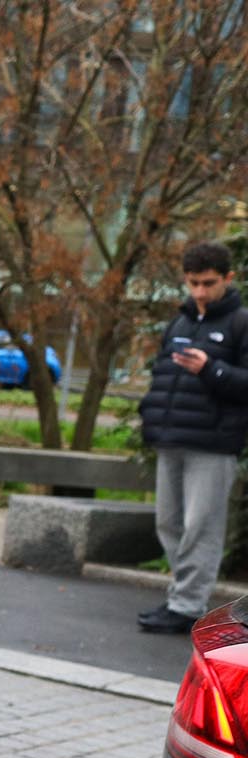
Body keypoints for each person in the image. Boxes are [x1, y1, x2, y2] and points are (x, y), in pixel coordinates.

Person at [136, 239, 248, 633]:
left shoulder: (241, 323)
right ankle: (180, 597)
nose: (200, 291)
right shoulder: (179, 322)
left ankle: (187, 605)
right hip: (171, 439)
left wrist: (212, 369)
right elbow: (161, 378)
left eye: (209, 283)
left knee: (202, 525)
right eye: (193, 283)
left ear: (228, 279)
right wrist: (149, 416)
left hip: (214, 444)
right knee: (168, 524)